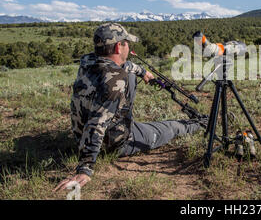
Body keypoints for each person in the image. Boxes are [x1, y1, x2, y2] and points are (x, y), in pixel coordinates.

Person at [54, 23, 206, 193]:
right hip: (112, 143)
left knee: (130, 75)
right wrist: (85, 168)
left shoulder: (88, 61)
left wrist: (142, 72)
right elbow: (96, 124)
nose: (129, 46)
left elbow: (123, 66)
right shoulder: (115, 81)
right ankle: (201, 123)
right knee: (171, 128)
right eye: (126, 42)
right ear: (119, 46)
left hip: (80, 135)